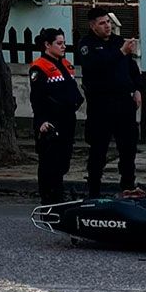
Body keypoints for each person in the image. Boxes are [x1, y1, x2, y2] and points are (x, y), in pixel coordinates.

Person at [77, 7, 143, 198]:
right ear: (93, 26)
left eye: (108, 22)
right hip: (101, 104)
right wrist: (121, 52)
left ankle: (128, 186)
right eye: (102, 23)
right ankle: (94, 190)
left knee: (128, 148)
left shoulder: (118, 42)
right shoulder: (87, 45)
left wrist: (137, 89)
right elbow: (96, 66)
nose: (107, 26)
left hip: (124, 102)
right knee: (99, 149)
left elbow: (132, 69)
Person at [29, 28, 84, 204]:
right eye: (59, 43)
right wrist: (41, 121)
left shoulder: (66, 64)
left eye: (64, 43)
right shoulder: (39, 67)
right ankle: (49, 199)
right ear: (47, 45)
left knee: (63, 161)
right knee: (49, 162)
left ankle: (57, 195)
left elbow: (72, 90)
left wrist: (76, 102)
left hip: (67, 119)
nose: (63, 47)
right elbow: (37, 98)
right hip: (51, 122)